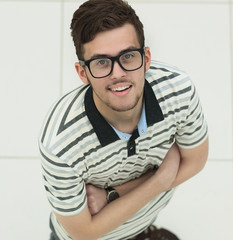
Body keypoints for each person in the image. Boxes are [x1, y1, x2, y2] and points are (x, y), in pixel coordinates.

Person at [39, 0, 209, 239]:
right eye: (101, 62)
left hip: (142, 219)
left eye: (128, 56)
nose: (118, 73)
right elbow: (84, 233)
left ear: (146, 58)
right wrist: (160, 179)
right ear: (82, 73)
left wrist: (113, 194)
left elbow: (195, 162)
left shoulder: (178, 92)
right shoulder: (60, 143)